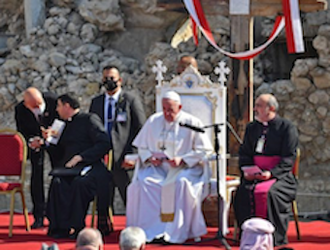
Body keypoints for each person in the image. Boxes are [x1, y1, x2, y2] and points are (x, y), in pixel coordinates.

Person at [126, 91, 213, 243]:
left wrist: (183, 159)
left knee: (181, 183)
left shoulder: (191, 122)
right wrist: (150, 157)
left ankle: (177, 232)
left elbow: (205, 150)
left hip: (185, 169)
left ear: (179, 107)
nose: (166, 113)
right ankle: (151, 231)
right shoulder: (154, 120)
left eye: (170, 110)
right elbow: (142, 147)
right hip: (159, 169)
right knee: (146, 182)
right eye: (164, 108)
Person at [233, 93, 298, 246]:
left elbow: (289, 158)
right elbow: (245, 153)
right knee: (243, 192)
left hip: (279, 176)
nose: (255, 109)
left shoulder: (287, 128)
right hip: (255, 175)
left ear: (272, 108)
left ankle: (273, 238)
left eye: (259, 106)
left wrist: (271, 173)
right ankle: (247, 236)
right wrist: (247, 170)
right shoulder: (251, 128)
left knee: (271, 194)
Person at [46, 93, 112, 238]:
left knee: (79, 183)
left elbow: (104, 143)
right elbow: (58, 154)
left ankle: (77, 226)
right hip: (70, 170)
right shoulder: (62, 125)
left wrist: (81, 157)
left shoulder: (89, 119)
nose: (56, 110)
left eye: (58, 106)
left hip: (91, 167)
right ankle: (59, 227)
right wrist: (48, 141)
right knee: (57, 183)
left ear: (67, 106)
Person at [89, 66, 146, 215]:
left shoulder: (130, 100)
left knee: (129, 195)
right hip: (102, 156)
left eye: (112, 78)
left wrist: (133, 155)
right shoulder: (96, 102)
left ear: (119, 80)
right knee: (103, 197)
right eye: (105, 79)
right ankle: (105, 227)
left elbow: (140, 128)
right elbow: (91, 128)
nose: (109, 82)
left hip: (123, 156)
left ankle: (135, 226)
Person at [14, 87, 58, 229]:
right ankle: (38, 214)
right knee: (36, 176)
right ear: (26, 104)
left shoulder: (52, 100)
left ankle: (55, 213)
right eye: (34, 106)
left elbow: (62, 121)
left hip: (54, 141)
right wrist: (33, 141)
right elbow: (22, 132)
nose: (38, 108)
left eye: (39, 104)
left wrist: (50, 134)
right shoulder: (20, 109)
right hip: (35, 145)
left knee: (58, 173)